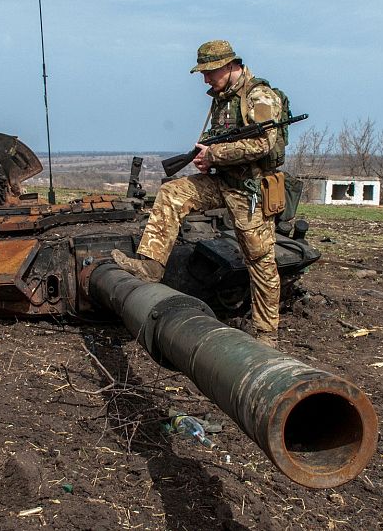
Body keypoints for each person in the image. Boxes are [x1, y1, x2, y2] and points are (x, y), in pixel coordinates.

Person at [112, 39, 286, 345]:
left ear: (231, 66)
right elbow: (217, 140)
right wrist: (206, 158)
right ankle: (151, 266)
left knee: (260, 261)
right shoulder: (221, 98)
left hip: (251, 190)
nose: (205, 79)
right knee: (172, 193)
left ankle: (266, 333)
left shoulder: (259, 96)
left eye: (210, 72)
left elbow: (263, 144)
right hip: (222, 182)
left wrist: (215, 155)